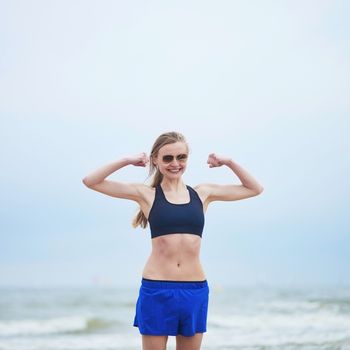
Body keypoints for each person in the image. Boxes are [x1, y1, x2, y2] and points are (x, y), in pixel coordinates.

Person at [82, 131, 264, 350]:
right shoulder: (146, 195)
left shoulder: (203, 193)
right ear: (155, 160)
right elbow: (90, 181)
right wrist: (127, 161)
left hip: (194, 289)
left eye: (181, 157)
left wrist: (229, 162)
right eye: (168, 158)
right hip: (156, 289)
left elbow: (255, 189)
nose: (175, 163)